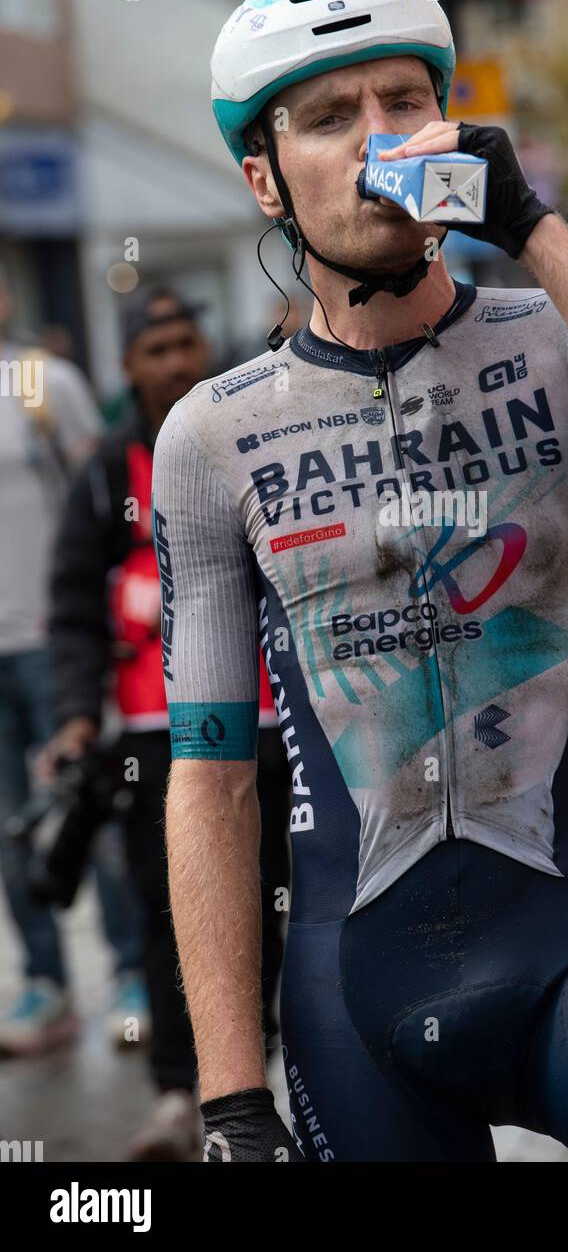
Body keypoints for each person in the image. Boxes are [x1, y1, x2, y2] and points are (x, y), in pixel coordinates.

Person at [154, 0, 568, 1164]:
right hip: (354, 996)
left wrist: (532, 227)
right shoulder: (213, 435)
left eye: (404, 100)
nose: (375, 138)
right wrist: (231, 1102)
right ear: (262, 178)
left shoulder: (555, 339)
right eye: (328, 116)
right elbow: (210, 778)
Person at [37, 291, 289, 1159]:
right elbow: (72, 607)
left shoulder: (247, 438)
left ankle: (278, 1073)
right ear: (128, 368)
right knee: (172, 912)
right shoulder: (107, 477)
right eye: (157, 350)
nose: (177, 362)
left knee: (290, 901)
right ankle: (186, 1096)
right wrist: (75, 718)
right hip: (159, 735)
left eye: (188, 343)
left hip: (278, 722)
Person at [0, 266, 144, 1054]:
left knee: (97, 812)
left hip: (53, 644)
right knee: (12, 828)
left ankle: (130, 975)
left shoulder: (37, 382)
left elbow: (101, 498)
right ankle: (45, 986)